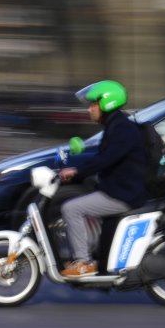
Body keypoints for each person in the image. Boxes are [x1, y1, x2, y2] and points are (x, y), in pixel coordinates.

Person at [58, 80, 149, 278]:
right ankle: (93, 254)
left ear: (107, 103)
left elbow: (106, 159)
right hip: (119, 189)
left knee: (71, 209)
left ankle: (84, 262)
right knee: (81, 199)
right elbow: (103, 158)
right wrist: (78, 170)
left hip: (123, 194)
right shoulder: (116, 126)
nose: (89, 109)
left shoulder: (122, 129)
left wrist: (77, 172)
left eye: (93, 104)